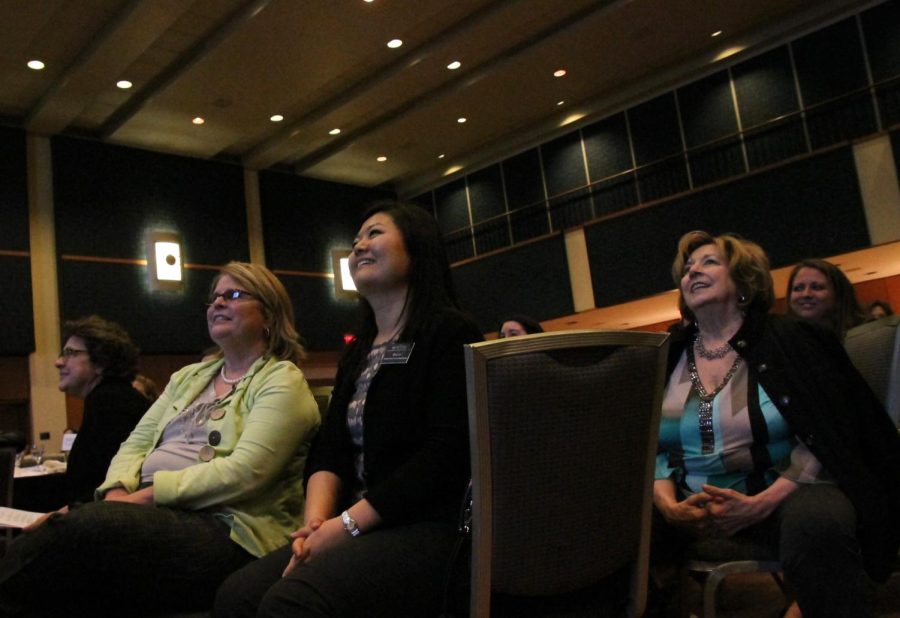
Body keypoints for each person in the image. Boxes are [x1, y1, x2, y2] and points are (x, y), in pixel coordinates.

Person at [0, 262, 321, 616]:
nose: (216, 304)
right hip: (153, 514)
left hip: (228, 526)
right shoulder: (188, 377)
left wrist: (141, 499)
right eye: (213, 298)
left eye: (232, 295)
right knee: (60, 558)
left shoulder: (282, 381)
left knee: (80, 530)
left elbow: (246, 472)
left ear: (270, 316)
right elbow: (135, 444)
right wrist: (117, 491)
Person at [214, 202, 483, 618]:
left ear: (417, 248)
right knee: (238, 595)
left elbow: (445, 455)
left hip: (424, 524)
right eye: (356, 239)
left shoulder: (449, 331)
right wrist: (316, 526)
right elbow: (329, 449)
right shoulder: (358, 351)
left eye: (374, 233)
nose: (359, 246)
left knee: (291, 602)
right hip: (351, 524)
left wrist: (348, 526)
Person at [653, 231, 900, 618]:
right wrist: (667, 505)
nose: (693, 272)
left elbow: (827, 431)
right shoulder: (668, 355)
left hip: (783, 490)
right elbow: (653, 448)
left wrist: (761, 503)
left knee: (820, 525)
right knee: (609, 527)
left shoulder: (790, 338)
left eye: (709, 262)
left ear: (744, 280)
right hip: (688, 503)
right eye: (687, 269)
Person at [51, 316, 150, 507]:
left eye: (70, 353)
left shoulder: (111, 403)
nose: (58, 362)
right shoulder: (111, 398)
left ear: (100, 362)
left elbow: (99, 487)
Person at [786, 258, 864, 340]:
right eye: (798, 288)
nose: (806, 294)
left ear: (838, 293)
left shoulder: (863, 338)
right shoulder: (783, 342)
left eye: (817, 287)